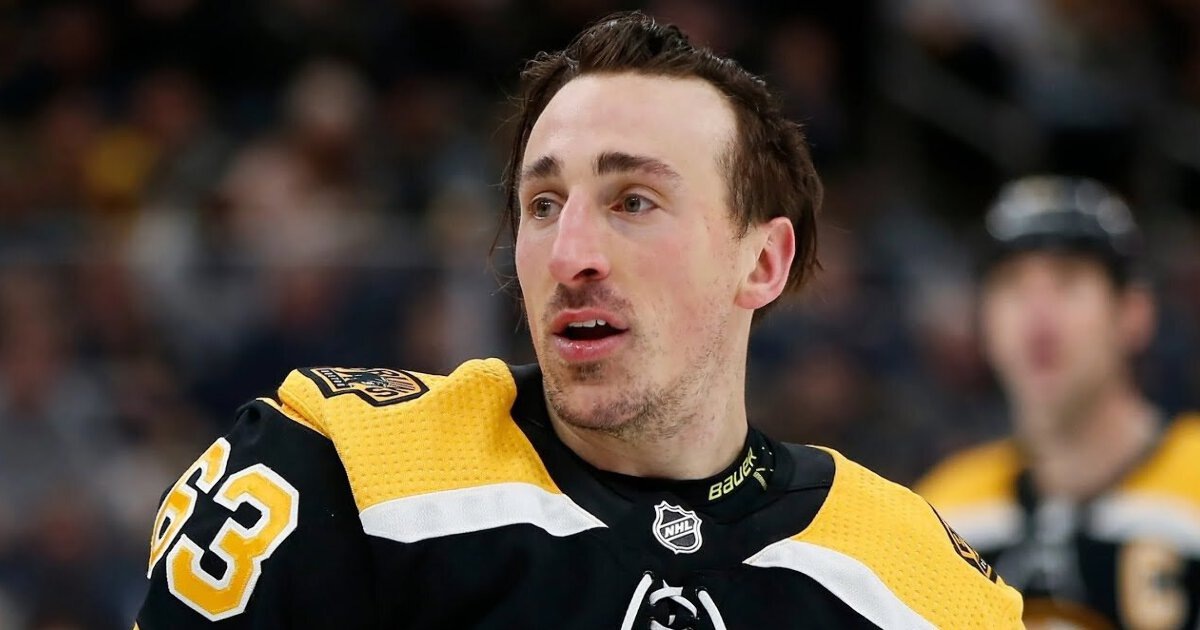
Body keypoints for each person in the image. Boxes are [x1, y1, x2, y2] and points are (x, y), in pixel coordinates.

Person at [136, 12, 1022, 629]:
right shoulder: (337, 474)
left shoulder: (923, 591)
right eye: (544, 204)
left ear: (762, 262)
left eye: (633, 201)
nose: (570, 255)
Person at [917, 175, 1200, 628]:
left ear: (1134, 312)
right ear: (984, 322)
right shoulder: (944, 511)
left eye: (1068, 282)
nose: (1038, 316)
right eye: (1012, 285)